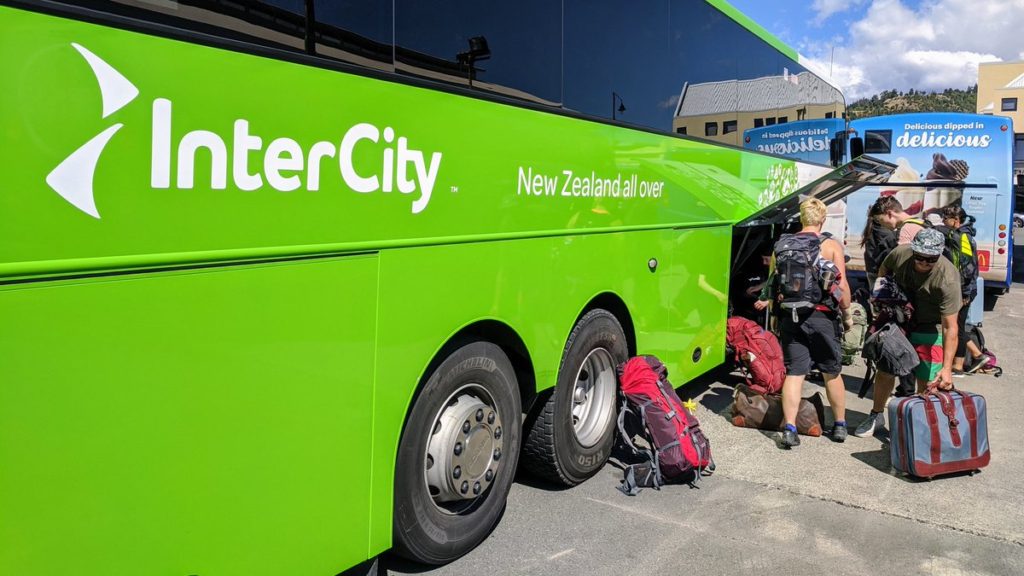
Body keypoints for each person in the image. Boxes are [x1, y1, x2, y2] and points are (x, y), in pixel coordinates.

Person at [755, 199, 852, 448]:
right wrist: (847, 313)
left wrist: (776, 315)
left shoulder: (783, 245)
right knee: (832, 372)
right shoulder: (830, 245)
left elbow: (773, 283)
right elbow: (841, 288)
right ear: (822, 220)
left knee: (795, 373)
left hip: (791, 317)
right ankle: (840, 425)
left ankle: (789, 428)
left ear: (801, 218)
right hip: (821, 317)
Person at [853, 228, 961, 438]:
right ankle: (877, 415)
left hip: (930, 326)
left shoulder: (948, 278)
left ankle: (921, 425)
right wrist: (884, 297)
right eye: (919, 257)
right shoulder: (900, 254)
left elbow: (951, 327)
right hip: (899, 321)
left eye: (930, 259)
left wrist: (948, 368)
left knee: (928, 378)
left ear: (938, 255)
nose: (923, 263)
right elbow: (883, 271)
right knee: (886, 369)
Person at [939, 206, 991, 374]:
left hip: (963, 289)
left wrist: (966, 293)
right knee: (956, 325)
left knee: (957, 327)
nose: (943, 221)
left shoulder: (962, 238)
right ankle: (976, 355)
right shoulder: (959, 235)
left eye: (946, 218)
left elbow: (968, 266)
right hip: (963, 288)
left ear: (956, 220)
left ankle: (959, 365)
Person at [861, 198, 899, 288]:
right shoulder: (886, 231)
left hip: (871, 268)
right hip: (880, 270)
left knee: (874, 296)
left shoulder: (871, 228)